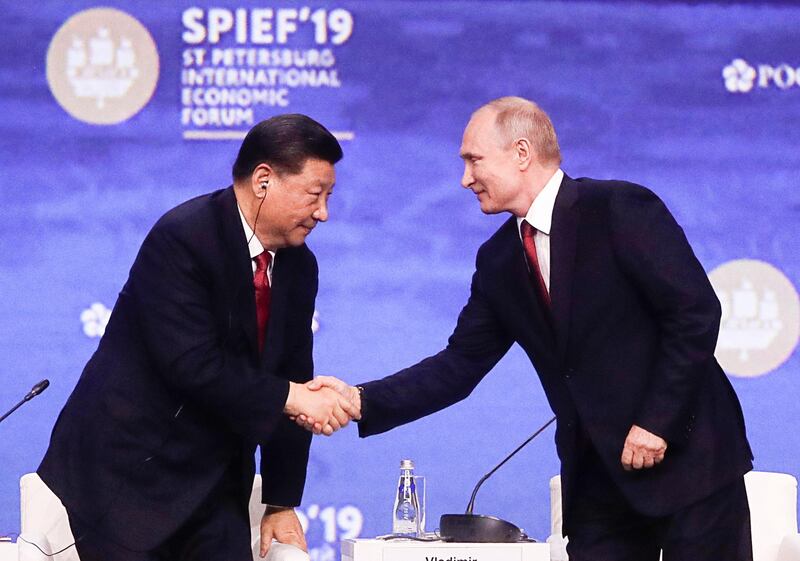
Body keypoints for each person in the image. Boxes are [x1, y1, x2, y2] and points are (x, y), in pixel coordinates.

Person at [302, 97, 754, 560]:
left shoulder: (618, 207)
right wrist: (359, 401)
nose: (464, 179)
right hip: (598, 483)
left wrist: (657, 423)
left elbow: (695, 313)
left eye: (473, 160)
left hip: (690, 464)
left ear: (521, 153)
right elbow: (460, 364)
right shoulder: (499, 260)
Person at [38, 114, 359, 561]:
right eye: (314, 194)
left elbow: (294, 378)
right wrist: (293, 396)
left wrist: (281, 502)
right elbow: (192, 365)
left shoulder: (299, 267)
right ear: (264, 180)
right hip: (128, 474)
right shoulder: (185, 238)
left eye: (328, 196)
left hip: (215, 482)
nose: (323, 212)